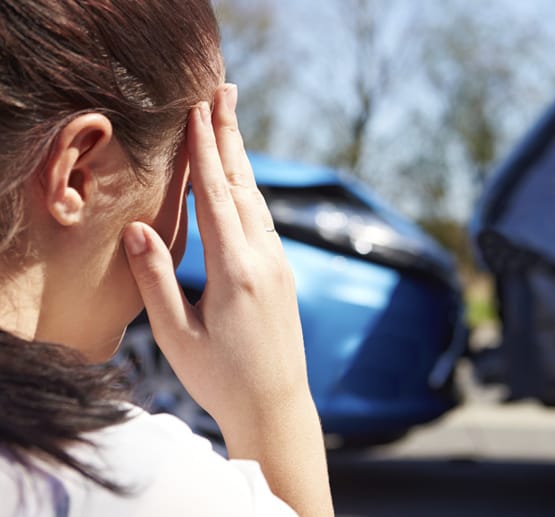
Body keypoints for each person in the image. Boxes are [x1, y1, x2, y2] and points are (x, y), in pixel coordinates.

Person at [0, 1, 334, 516]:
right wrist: (275, 406)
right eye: (190, 188)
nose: (181, 246)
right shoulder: (131, 483)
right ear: (78, 176)